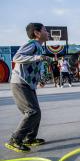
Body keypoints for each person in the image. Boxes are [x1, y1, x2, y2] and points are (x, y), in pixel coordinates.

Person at [5, 23, 49, 152]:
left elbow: (34, 66)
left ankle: (30, 138)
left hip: (28, 84)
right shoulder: (32, 44)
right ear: (37, 33)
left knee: (36, 112)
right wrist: (38, 57)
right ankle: (15, 140)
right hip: (20, 83)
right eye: (45, 30)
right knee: (32, 112)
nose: (48, 33)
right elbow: (16, 57)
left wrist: (40, 79)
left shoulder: (39, 47)